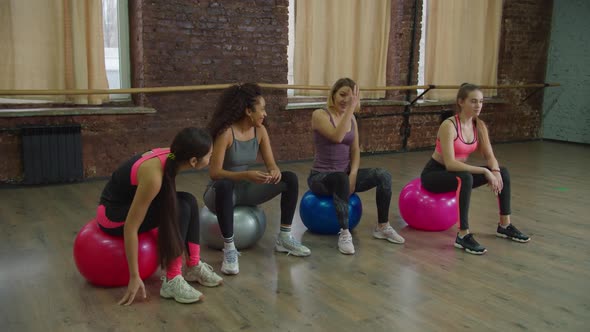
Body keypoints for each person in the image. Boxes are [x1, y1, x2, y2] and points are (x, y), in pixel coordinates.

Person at [97, 127, 222, 305]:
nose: (212, 158)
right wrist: (134, 276)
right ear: (194, 161)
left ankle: (193, 265)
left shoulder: (172, 156)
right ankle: (172, 279)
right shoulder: (153, 177)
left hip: (126, 203)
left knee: (189, 201)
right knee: (181, 208)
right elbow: (130, 227)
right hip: (112, 216)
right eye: (209, 155)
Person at [205, 83, 311, 275]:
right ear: (248, 111)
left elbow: (271, 164)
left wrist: (275, 171)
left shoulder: (260, 131)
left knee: (290, 179)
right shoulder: (226, 133)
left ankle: (284, 238)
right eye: (261, 109)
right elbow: (215, 173)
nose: (265, 114)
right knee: (225, 185)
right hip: (218, 191)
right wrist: (246, 175)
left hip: (244, 189)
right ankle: (229, 249)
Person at [420, 83, 530, 255]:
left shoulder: (479, 126)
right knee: (466, 177)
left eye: (480, 101)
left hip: (459, 172)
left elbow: (490, 156)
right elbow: (450, 164)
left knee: (503, 172)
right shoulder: (449, 126)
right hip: (435, 174)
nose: (478, 105)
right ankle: (463, 235)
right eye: (473, 101)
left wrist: (495, 171)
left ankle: (505, 225)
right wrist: (485, 172)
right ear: (461, 102)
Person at [308, 78, 405, 255]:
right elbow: (337, 137)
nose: (346, 100)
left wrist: (353, 174)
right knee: (339, 178)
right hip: (321, 178)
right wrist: (351, 108)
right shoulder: (319, 115)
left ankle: (382, 226)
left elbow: (355, 150)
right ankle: (344, 233)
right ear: (333, 94)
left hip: (344, 175)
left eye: (351, 96)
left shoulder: (351, 118)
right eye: (342, 95)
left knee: (383, 175)